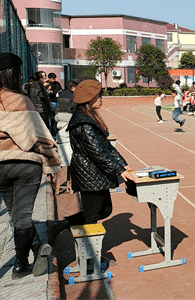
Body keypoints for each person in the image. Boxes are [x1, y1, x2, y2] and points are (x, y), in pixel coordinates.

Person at [0, 53, 60, 279]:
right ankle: (21, 264)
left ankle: (38, 247)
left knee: (17, 216)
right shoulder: (21, 100)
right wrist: (53, 164)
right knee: (22, 218)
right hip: (24, 166)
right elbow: (38, 135)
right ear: (13, 73)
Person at [46, 79, 134, 263]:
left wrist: (123, 165)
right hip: (89, 174)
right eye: (98, 96)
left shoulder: (90, 117)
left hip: (95, 173)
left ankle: (60, 225)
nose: (102, 99)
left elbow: (106, 147)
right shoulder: (83, 122)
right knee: (92, 217)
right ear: (88, 98)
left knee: (104, 210)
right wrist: (119, 171)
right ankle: (90, 258)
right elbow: (98, 153)